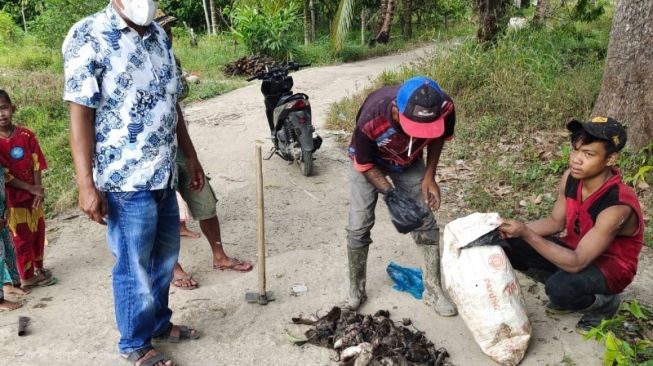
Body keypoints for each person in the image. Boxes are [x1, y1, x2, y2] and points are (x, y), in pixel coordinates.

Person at [63, 1, 204, 365]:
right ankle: (134, 343)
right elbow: (80, 113)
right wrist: (85, 185)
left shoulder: (159, 36)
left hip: (164, 173)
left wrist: (191, 158)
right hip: (124, 179)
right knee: (133, 265)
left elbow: (172, 107)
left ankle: (157, 324)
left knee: (164, 259)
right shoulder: (87, 34)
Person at [498, 117, 644, 333]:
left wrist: (527, 233)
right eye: (575, 151)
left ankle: (605, 304)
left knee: (560, 288)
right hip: (577, 250)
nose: (576, 160)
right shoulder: (571, 178)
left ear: (611, 159)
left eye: (588, 154)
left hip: (610, 267)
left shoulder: (617, 205)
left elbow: (576, 262)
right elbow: (555, 222)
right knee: (508, 244)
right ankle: (570, 288)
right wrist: (507, 231)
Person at [153, 11, 252, 292]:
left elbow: (177, 103)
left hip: (176, 144)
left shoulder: (171, 59)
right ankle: (174, 267)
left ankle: (219, 256)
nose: (168, 33)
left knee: (204, 198)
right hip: (148, 155)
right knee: (164, 210)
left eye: (169, 28)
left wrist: (192, 156)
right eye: (163, 28)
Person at [345, 76, 457, 316]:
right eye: (415, 126)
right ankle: (356, 291)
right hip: (370, 164)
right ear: (396, 109)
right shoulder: (372, 117)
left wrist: (429, 177)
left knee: (425, 220)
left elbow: (438, 138)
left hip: (408, 161)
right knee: (359, 225)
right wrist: (391, 195)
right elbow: (364, 165)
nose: (420, 133)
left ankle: (433, 290)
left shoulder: (445, 108)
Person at [0, 90, 55, 290]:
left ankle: (38, 267)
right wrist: (31, 188)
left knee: (38, 232)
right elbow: (5, 176)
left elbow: (36, 163)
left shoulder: (26, 135)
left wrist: (38, 190)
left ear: (12, 108)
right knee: (21, 238)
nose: (1, 114)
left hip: (33, 197)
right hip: (13, 201)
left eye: (3, 108)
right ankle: (26, 277)